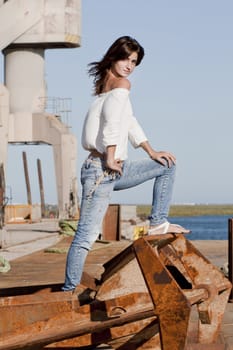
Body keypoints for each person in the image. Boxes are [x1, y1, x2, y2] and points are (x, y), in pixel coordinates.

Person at [62, 36, 189, 291]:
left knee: (166, 164)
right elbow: (113, 124)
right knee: (85, 236)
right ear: (114, 56)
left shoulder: (106, 88)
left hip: (112, 169)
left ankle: (157, 222)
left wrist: (151, 151)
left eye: (134, 61)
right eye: (125, 58)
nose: (129, 65)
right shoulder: (121, 85)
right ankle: (68, 291)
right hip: (102, 169)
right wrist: (110, 155)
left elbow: (128, 122)